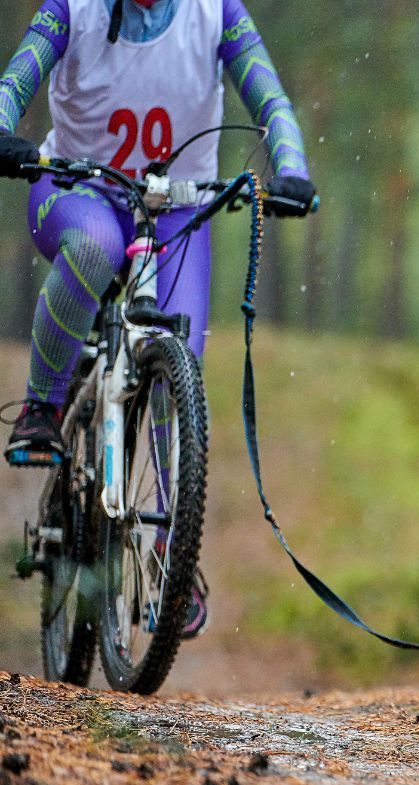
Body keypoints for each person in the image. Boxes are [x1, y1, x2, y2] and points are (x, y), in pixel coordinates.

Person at [0, 0, 317, 637]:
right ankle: (43, 405)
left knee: (180, 362)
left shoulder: (218, 13)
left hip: (177, 207)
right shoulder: (72, 9)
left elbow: (270, 100)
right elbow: (14, 83)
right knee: (94, 252)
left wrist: (290, 169)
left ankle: (176, 557)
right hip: (75, 190)